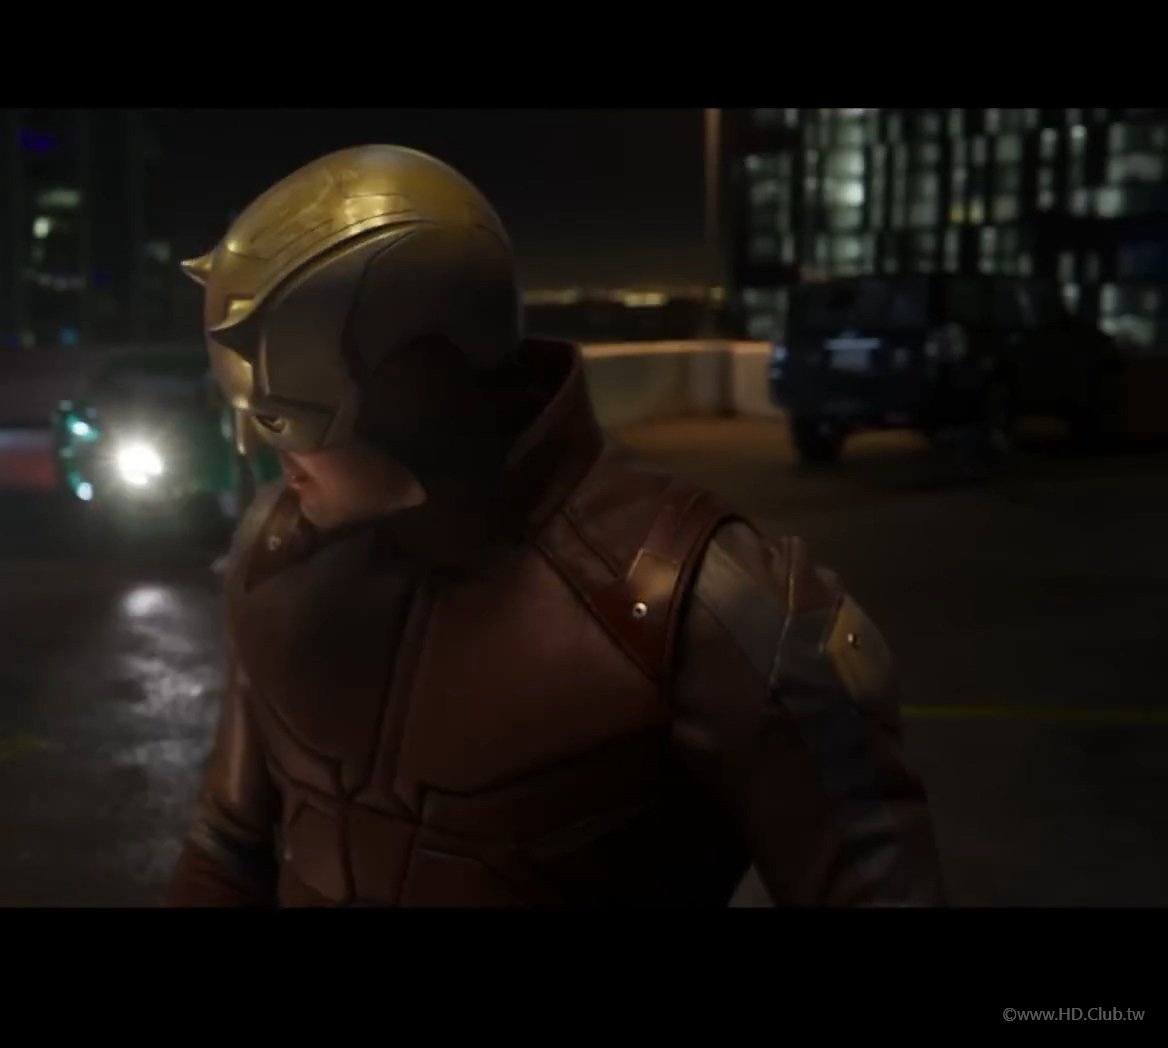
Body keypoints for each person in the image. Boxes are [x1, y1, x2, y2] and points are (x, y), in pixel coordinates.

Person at [164, 144, 946, 907]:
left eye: (282, 417)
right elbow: (227, 845)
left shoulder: (712, 609)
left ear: (412, 387)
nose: (258, 451)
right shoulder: (279, 552)